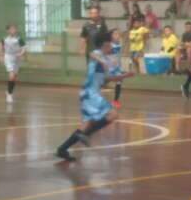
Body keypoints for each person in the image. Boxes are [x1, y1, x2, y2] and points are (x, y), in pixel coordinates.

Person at [55, 31, 134, 162]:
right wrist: (101, 61)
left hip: (88, 93)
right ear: (105, 44)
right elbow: (91, 54)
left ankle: (62, 149)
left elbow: (108, 78)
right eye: (110, 44)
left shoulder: (106, 59)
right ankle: (85, 135)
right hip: (90, 92)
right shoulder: (98, 54)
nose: (112, 47)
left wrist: (125, 76)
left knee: (87, 124)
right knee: (113, 115)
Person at [0, 24, 26, 103]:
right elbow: (1, 46)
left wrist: (21, 54)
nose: (13, 30)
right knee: (11, 75)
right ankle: (9, 95)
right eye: (11, 29)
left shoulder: (19, 39)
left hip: (16, 58)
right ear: (8, 31)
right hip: (8, 57)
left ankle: (9, 91)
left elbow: (23, 48)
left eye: (14, 29)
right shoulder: (4, 39)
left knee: (14, 77)